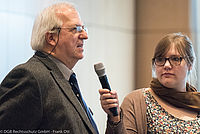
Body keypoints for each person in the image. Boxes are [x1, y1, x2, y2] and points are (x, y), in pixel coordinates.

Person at [0, 2, 99, 134]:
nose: (85, 36)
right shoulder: (30, 77)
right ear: (51, 37)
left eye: (83, 28)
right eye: (75, 29)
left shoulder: (66, 79)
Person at [99, 33, 200, 133]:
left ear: (190, 63)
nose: (167, 65)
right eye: (160, 59)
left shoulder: (197, 103)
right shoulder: (136, 101)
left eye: (175, 59)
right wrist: (115, 118)